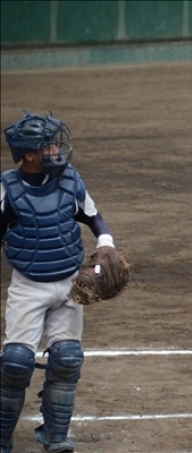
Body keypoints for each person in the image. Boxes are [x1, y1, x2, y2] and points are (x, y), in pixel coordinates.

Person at [0, 111, 117, 453]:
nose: (56, 151)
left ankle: (56, 437)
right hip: (28, 285)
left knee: (67, 358)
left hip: (69, 283)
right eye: (48, 146)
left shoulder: (69, 180)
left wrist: (106, 243)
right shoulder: (7, 189)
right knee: (15, 363)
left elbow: (93, 217)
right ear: (29, 155)